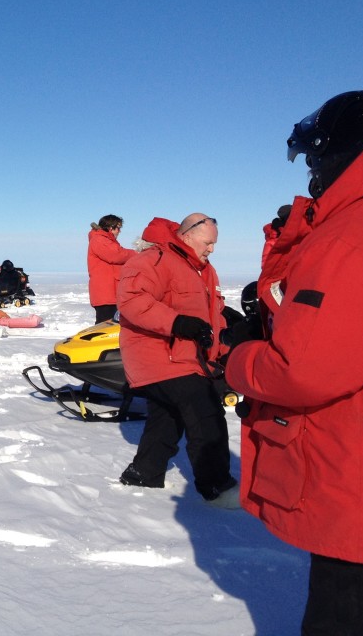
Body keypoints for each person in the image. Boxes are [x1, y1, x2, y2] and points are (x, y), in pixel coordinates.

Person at [225, 90, 363, 633]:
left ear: (345, 153)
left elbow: (307, 370)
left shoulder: (356, 235)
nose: (311, 172)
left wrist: (239, 358)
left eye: (313, 159)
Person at [115, 213, 238, 507]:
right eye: (208, 243)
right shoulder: (153, 259)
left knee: (167, 417)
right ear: (187, 235)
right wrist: (176, 323)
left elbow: (211, 318)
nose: (211, 249)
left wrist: (223, 348)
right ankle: (217, 488)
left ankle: (144, 472)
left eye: (214, 244)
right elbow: (132, 300)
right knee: (204, 411)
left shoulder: (204, 270)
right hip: (157, 355)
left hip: (186, 358)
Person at [87, 214, 137, 323]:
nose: (119, 231)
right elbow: (117, 255)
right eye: (118, 228)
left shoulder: (107, 240)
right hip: (106, 294)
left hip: (111, 293)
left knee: (112, 326)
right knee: (105, 327)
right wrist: (137, 254)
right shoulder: (100, 240)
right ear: (111, 228)